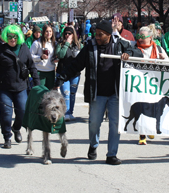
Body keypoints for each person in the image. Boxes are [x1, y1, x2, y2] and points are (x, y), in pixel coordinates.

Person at [55, 20, 142, 165]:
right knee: (94, 123)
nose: (97, 37)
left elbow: (138, 52)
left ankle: (111, 154)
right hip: (97, 92)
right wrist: (61, 78)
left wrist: (128, 53)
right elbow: (76, 65)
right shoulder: (90, 47)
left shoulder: (119, 44)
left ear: (108, 35)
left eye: (100, 35)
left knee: (115, 124)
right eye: (96, 34)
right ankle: (93, 145)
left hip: (115, 93)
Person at [0, 25, 40, 149]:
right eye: (10, 37)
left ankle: (16, 128)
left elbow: (32, 66)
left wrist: (37, 82)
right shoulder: (0, 50)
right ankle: (7, 137)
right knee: (6, 113)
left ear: (19, 37)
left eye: (15, 37)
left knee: (22, 112)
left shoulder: (24, 48)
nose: (12, 39)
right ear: (6, 37)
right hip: (3, 88)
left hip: (21, 87)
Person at [135, 26, 169, 145]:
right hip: (140, 84)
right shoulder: (134, 47)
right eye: (138, 36)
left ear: (150, 37)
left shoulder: (158, 48)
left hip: (155, 85)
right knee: (142, 108)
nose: (140, 39)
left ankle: (150, 129)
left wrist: (163, 59)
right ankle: (142, 135)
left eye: (142, 37)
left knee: (153, 110)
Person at [55, 26, 82, 121]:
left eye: (69, 33)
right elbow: (60, 55)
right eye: (66, 33)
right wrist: (66, 44)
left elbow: (82, 57)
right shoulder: (60, 44)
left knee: (72, 94)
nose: (67, 35)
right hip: (63, 73)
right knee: (66, 93)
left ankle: (70, 112)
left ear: (73, 34)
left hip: (75, 74)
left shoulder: (78, 45)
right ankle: (66, 113)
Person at [30, 24, 56, 90]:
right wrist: (40, 57)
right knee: (40, 94)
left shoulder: (54, 43)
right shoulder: (37, 43)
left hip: (51, 71)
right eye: (47, 31)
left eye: (50, 31)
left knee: (50, 94)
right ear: (43, 32)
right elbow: (30, 56)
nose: (48, 33)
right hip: (40, 71)